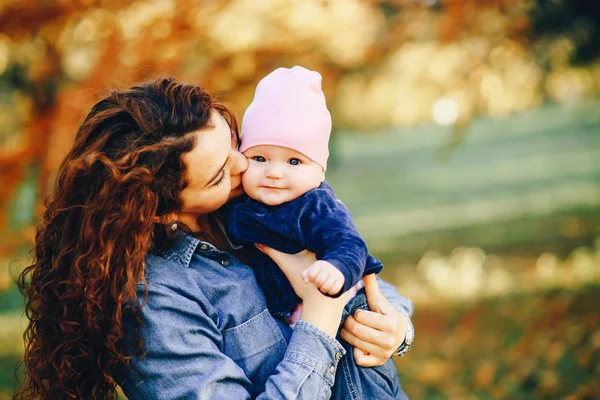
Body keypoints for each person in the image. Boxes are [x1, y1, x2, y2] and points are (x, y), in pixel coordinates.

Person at [16, 76, 414, 400]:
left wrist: (395, 329)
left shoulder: (256, 204)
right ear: (158, 208)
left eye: (235, 145)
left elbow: (367, 280)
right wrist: (320, 317)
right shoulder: (153, 303)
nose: (246, 165)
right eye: (220, 173)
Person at [225, 65, 405, 398]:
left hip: (346, 321)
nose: (275, 173)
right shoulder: (238, 203)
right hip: (299, 323)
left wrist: (334, 268)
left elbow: (350, 244)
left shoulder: (316, 205)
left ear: (319, 170)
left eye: (294, 162)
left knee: (357, 385)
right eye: (260, 158)